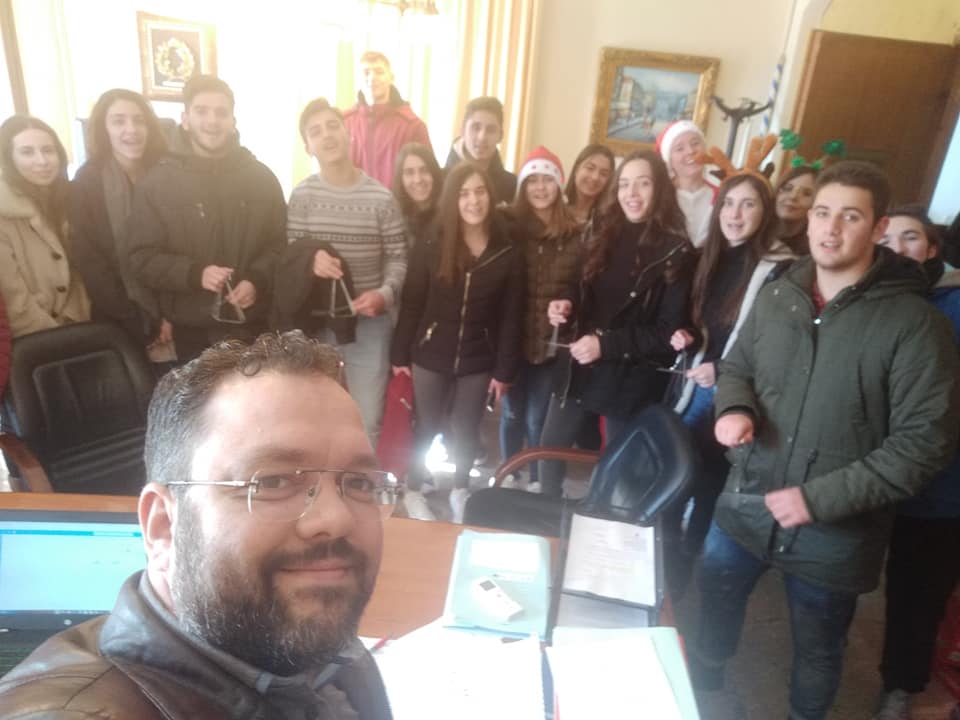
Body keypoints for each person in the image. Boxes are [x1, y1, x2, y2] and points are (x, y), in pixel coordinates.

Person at [0, 331, 395, 718]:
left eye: (359, 483)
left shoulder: (318, 647)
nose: (337, 518)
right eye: (272, 482)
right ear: (163, 526)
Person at [689, 162, 960, 720]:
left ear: (878, 228)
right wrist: (734, 407)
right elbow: (736, 367)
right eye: (821, 213)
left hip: (838, 529)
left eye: (850, 216)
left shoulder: (915, 323)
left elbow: (924, 443)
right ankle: (703, 692)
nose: (830, 229)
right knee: (712, 605)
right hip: (747, 499)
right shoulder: (778, 296)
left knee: (818, 646)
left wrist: (818, 499)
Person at [665, 172, 794, 598]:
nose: (736, 214)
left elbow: (775, 344)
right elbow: (697, 320)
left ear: (765, 212)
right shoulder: (709, 256)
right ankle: (668, 559)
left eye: (748, 204)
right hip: (691, 383)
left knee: (708, 482)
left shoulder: (780, 269)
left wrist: (721, 370)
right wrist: (685, 335)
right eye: (730, 204)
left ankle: (687, 564)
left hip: (733, 392)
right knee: (678, 473)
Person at [538, 149, 695, 498]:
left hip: (629, 377)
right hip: (578, 363)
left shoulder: (677, 251)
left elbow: (666, 333)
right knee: (548, 451)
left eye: (643, 184)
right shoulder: (601, 231)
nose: (631, 194)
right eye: (624, 184)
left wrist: (605, 345)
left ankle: (601, 525)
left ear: (660, 189)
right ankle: (545, 518)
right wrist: (565, 303)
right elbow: (578, 284)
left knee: (617, 474)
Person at [390, 162, 523, 522]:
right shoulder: (432, 241)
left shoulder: (508, 249)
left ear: (490, 196)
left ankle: (460, 490)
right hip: (431, 352)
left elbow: (512, 315)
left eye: (480, 192)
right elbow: (413, 301)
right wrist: (400, 354)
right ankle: (413, 489)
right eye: (464, 194)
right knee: (426, 426)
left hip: (479, 357)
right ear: (453, 199)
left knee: (467, 429)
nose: (473, 201)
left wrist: (505, 370)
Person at [871, 205, 960, 720]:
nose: (898, 248)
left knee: (917, 592)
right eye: (888, 238)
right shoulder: (859, 298)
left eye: (911, 237)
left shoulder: (952, 305)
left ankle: (900, 686)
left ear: (931, 249)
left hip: (936, 484)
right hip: (862, 471)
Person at [127, 75, 286, 363]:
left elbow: (279, 244)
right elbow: (142, 258)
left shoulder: (262, 178)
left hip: (253, 327)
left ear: (233, 121)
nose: (212, 121)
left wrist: (257, 280)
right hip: (192, 332)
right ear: (185, 119)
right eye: (202, 111)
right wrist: (194, 274)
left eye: (221, 112)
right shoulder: (157, 183)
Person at [284, 97, 407, 446]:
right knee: (314, 420)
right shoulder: (302, 196)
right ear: (308, 147)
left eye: (332, 126)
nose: (327, 135)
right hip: (317, 326)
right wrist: (310, 262)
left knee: (367, 420)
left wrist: (384, 294)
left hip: (369, 325)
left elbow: (398, 258)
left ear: (347, 132)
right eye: (315, 131)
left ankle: (361, 480)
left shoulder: (382, 198)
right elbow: (291, 256)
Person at [499, 146, 581, 490]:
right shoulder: (509, 227)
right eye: (532, 180)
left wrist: (568, 304)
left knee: (537, 419)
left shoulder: (576, 232)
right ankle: (508, 473)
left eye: (547, 179)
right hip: (513, 341)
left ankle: (536, 480)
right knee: (511, 413)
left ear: (559, 185)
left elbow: (582, 284)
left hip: (552, 345)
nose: (540, 187)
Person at [70, 88, 170, 354]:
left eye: (139, 120)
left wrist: (170, 314)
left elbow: (179, 244)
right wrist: (138, 318)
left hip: (174, 310)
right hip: (119, 315)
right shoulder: (87, 181)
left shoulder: (166, 174)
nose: (131, 129)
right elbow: (90, 259)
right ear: (104, 129)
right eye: (118, 121)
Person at [0, 115, 90, 338]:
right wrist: (56, 337)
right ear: (9, 158)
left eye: (48, 150)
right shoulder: (4, 213)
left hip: (80, 325)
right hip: (32, 338)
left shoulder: (68, 199)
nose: (42, 161)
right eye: (27, 152)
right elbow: (15, 301)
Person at [344, 51, 433, 189]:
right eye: (366, 72)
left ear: (391, 77)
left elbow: (427, 179)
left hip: (396, 202)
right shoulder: (343, 124)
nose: (372, 78)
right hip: (353, 202)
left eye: (379, 72)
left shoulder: (412, 126)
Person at [444, 96, 517, 205]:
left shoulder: (512, 186)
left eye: (491, 130)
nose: (482, 137)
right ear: (462, 130)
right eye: (476, 128)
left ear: (500, 136)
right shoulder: (440, 180)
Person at [657, 120, 715, 248]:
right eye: (679, 148)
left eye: (695, 143)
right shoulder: (658, 197)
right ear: (669, 161)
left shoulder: (722, 195)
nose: (690, 151)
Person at [392, 142, 442, 248]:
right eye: (409, 172)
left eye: (424, 170)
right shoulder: (393, 217)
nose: (418, 179)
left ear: (434, 172)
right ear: (400, 179)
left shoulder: (449, 211)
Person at [565, 143, 615, 226]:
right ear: (577, 169)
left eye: (603, 174)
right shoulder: (555, 208)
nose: (595, 177)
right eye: (590, 168)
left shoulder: (609, 218)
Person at [773, 165, 818, 255]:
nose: (793, 196)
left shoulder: (814, 250)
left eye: (806, 193)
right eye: (788, 188)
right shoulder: (755, 233)